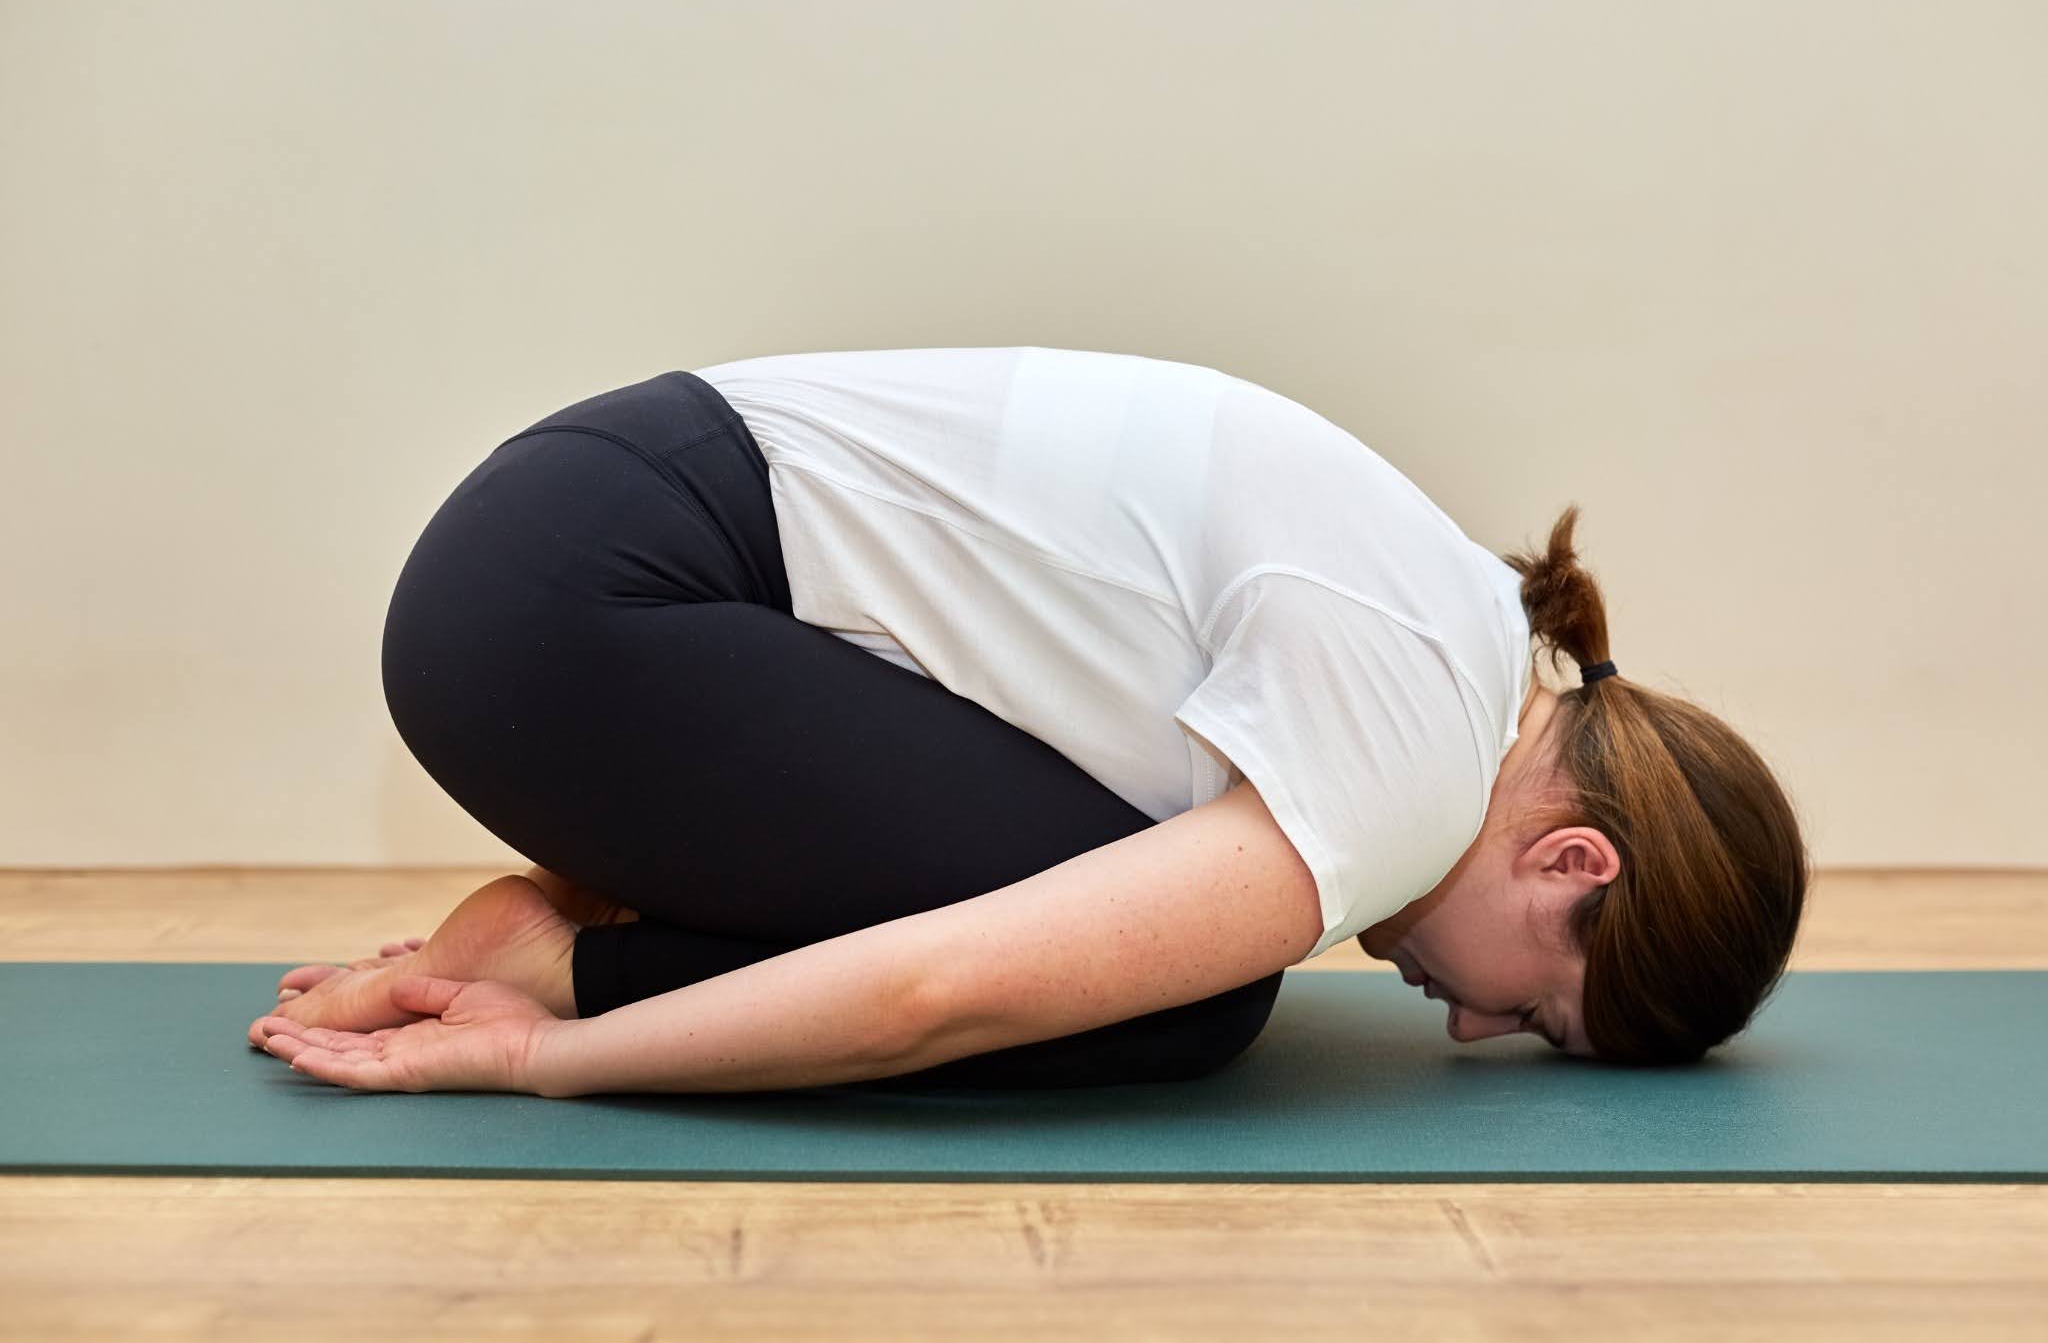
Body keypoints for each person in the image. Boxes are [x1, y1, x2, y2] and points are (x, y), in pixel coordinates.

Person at [248, 347, 1809, 1093]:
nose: (1471, 1028)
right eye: (1535, 1009)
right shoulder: (1413, 753)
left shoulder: (1454, 626)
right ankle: (565, 948)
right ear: (1575, 864)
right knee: (1186, 996)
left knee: (1173, 927)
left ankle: (587, 915)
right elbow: (936, 990)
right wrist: (548, 1056)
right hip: (569, 612)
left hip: (570, 548)